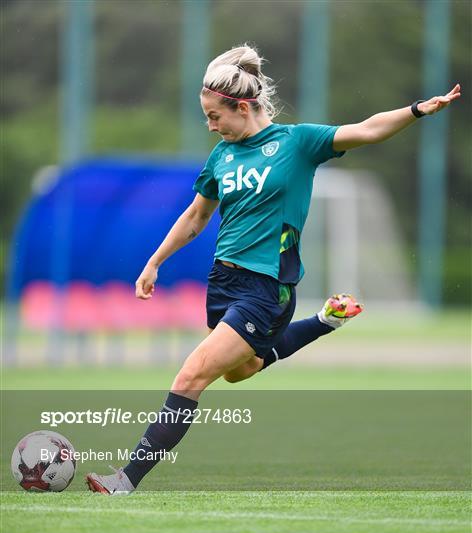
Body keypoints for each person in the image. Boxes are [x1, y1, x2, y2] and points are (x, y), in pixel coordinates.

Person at [86, 44, 461, 494]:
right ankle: (324, 321)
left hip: (267, 287)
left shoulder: (296, 143)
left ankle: (126, 480)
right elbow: (196, 216)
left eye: (214, 116)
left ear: (242, 107)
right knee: (239, 371)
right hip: (223, 282)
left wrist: (418, 109)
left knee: (190, 376)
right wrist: (154, 261)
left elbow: (367, 130)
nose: (210, 125)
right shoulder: (221, 157)